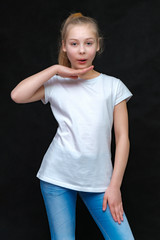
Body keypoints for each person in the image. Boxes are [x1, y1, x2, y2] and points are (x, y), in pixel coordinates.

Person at [11, 12, 135, 240]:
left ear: (98, 45)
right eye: (74, 44)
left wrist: (115, 186)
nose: (81, 50)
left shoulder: (113, 86)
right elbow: (17, 95)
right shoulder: (57, 83)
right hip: (57, 177)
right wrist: (56, 70)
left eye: (88, 43)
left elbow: (123, 138)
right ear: (64, 46)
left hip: (100, 182)